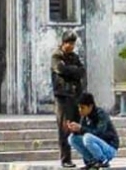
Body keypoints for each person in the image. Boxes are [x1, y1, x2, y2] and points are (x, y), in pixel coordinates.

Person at [52, 32, 87, 169]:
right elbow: (60, 69)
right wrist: (73, 70)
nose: (71, 46)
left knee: (78, 127)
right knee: (65, 129)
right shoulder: (56, 56)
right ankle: (65, 159)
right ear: (63, 43)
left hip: (75, 95)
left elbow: (82, 71)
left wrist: (71, 70)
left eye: (73, 44)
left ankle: (87, 157)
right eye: (69, 43)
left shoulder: (74, 57)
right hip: (63, 97)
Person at [63, 93, 119, 169]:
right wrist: (74, 130)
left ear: (90, 106)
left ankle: (103, 161)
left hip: (109, 147)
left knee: (87, 137)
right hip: (96, 144)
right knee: (72, 138)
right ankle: (91, 161)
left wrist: (81, 129)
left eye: (82, 108)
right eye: (79, 107)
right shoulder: (85, 118)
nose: (80, 110)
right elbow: (82, 133)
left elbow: (99, 133)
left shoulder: (101, 114)